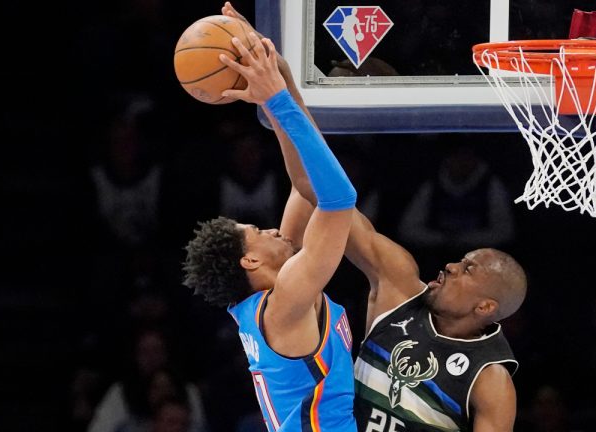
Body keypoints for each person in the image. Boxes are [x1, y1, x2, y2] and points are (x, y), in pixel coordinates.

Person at [220, 4, 527, 430]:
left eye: (467, 268)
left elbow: (326, 195)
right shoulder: (399, 283)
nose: (451, 264)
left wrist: (280, 93)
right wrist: (282, 90)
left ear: (486, 305)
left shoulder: (490, 377)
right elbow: (316, 192)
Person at [182, 26, 357, 432]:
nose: (271, 229)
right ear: (251, 259)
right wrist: (275, 98)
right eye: (258, 230)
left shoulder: (275, 301)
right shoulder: (285, 303)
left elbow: (306, 184)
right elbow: (339, 198)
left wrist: (282, 85)